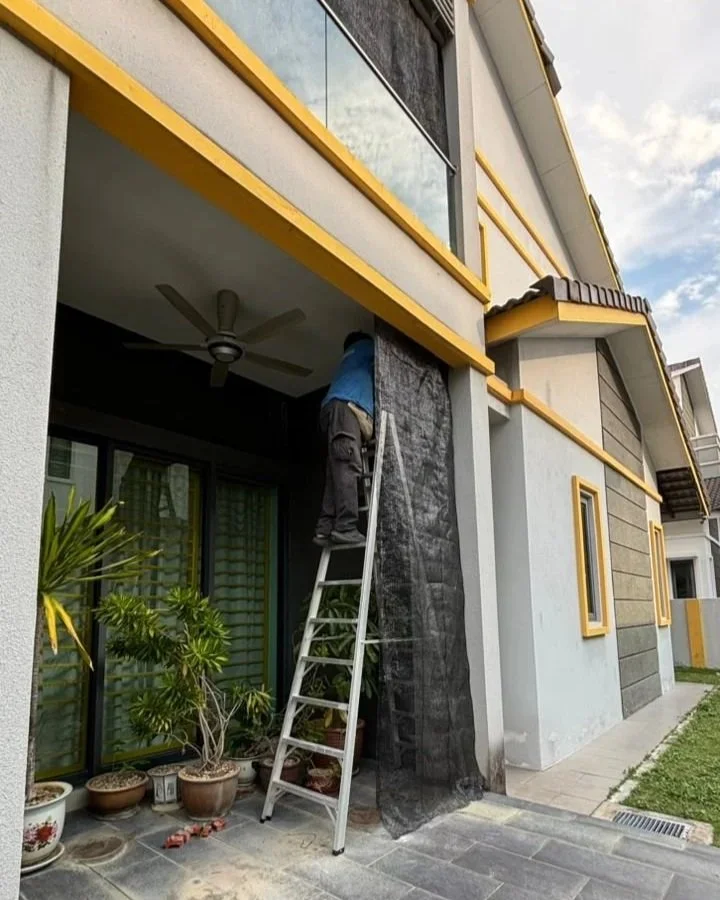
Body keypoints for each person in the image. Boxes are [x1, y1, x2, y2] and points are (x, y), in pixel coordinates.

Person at [314, 331, 374, 546]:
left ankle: (325, 527)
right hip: (346, 408)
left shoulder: (349, 360)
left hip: (333, 410)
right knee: (347, 465)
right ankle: (346, 527)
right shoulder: (366, 348)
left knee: (336, 470)